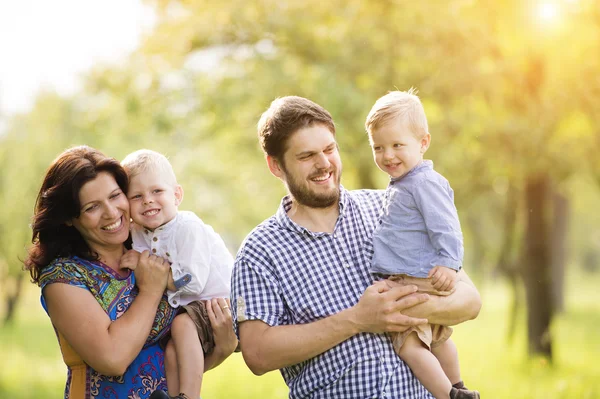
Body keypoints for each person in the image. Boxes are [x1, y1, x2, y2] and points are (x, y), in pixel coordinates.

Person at [231, 96, 482, 399]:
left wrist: (403, 309)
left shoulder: (391, 208)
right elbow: (257, 354)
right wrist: (357, 319)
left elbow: (469, 300)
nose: (323, 163)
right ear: (276, 166)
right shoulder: (260, 251)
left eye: (329, 149)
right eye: (307, 155)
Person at [24, 146, 236, 399]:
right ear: (70, 218)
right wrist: (150, 290)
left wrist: (221, 350)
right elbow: (112, 359)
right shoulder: (65, 276)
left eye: (115, 196)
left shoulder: (149, 249)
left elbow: (175, 357)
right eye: (92, 207)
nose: (112, 213)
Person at [365, 89, 479, 399]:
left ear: (423, 143)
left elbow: (446, 225)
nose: (388, 155)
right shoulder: (405, 183)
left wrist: (449, 263)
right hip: (419, 277)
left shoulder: (424, 182)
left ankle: (449, 394)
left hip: (416, 280)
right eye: (379, 147)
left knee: (411, 347)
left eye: (397, 145)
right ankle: (458, 385)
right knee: (439, 339)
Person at [121, 149, 237, 399]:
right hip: (193, 309)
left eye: (157, 192)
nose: (148, 200)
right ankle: (176, 396)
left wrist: (145, 266)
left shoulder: (187, 227)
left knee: (182, 325)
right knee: (173, 350)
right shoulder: (136, 231)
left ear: (177, 195)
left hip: (219, 304)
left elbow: (192, 282)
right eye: (137, 196)